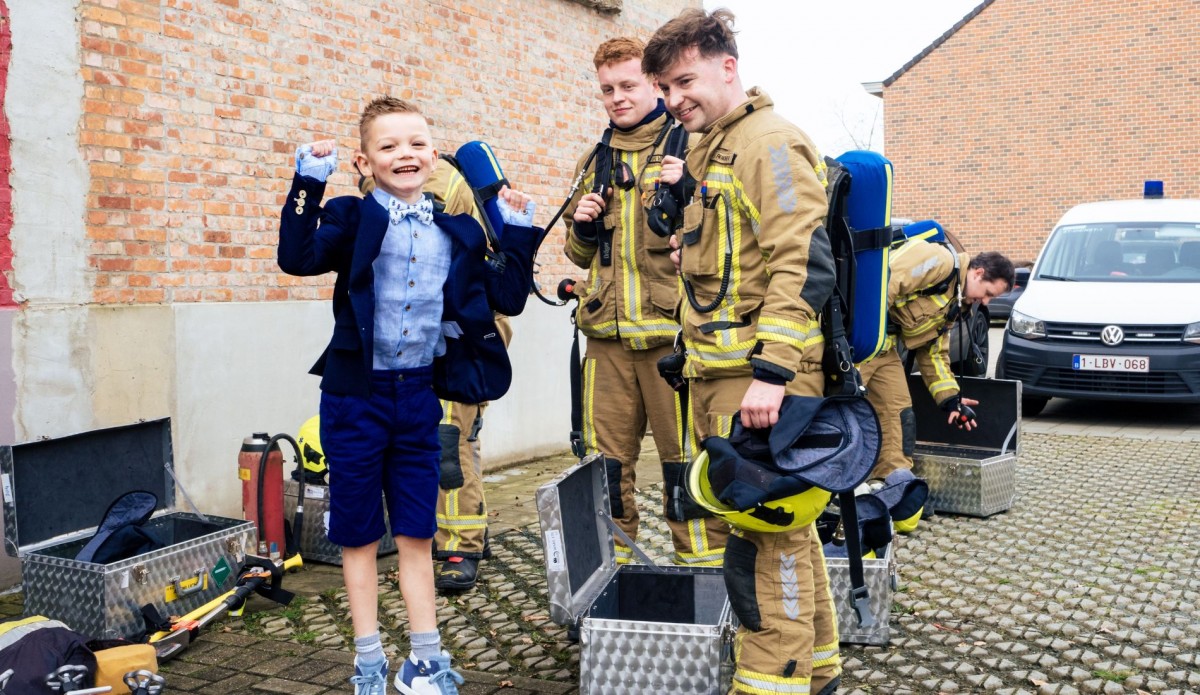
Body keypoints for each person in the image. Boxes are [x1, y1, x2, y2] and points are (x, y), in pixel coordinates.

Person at [277, 96, 538, 695]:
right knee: (359, 534)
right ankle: (368, 664)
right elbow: (296, 257)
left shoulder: (457, 228)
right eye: (389, 146)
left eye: (417, 144)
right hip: (355, 399)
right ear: (365, 161)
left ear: (434, 155)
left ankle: (425, 660)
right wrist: (308, 180)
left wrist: (518, 230)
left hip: (420, 397)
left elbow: (508, 297)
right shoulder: (351, 217)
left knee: (418, 532)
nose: (405, 154)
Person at [644, 9, 840, 694]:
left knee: (763, 540)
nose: (674, 100)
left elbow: (803, 260)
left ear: (729, 67)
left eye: (685, 81)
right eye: (666, 88)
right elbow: (738, 263)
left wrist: (774, 372)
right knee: (784, 527)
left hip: (758, 381)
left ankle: (769, 681)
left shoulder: (768, 142)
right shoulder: (713, 148)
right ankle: (816, 668)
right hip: (722, 374)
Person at [562, 36, 728, 567]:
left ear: (655, 85)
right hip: (607, 343)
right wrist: (582, 226)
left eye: (628, 85)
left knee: (687, 466)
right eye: (607, 89)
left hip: (673, 342)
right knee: (604, 469)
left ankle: (704, 572)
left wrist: (690, 190)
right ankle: (610, 576)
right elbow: (577, 254)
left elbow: (728, 239)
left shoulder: (692, 146)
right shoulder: (595, 161)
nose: (617, 98)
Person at [361, 159, 512, 593]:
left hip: (460, 335)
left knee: (450, 442)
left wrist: (368, 180)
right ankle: (458, 534)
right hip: (423, 338)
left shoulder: (440, 181)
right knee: (449, 440)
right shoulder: (386, 180)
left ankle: (461, 548)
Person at [856, 243, 1014, 528]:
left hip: (885, 349)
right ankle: (834, 487)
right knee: (845, 410)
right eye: (988, 293)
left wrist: (951, 399)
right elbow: (881, 285)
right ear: (978, 273)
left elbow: (934, 353)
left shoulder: (953, 301)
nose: (986, 302)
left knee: (898, 414)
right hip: (861, 342)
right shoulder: (938, 261)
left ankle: (893, 488)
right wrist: (852, 345)